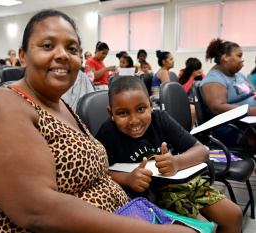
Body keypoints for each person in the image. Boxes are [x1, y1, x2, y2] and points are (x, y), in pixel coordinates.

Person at [0, 9, 195, 233]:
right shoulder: (1, 105)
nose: (62, 55)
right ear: (23, 57)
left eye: (72, 49)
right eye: (48, 45)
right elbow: (36, 211)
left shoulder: (60, 105)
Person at [96, 76, 243, 233]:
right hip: (152, 195)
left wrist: (177, 162)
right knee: (206, 229)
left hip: (182, 183)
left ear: (151, 105)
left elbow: (201, 151)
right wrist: (127, 179)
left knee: (234, 215)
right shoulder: (108, 133)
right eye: (123, 113)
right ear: (111, 113)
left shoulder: (160, 120)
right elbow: (97, 172)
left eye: (141, 109)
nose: (134, 121)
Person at [201, 38, 256, 147]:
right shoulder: (213, 80)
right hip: (231, 128)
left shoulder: (238, 75)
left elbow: (253, 89)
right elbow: (218, 107)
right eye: (239, 56)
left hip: (249, 122)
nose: (242, 60)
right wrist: (252, 111)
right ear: (225, 57)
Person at [178, 57, 205, 129]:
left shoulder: (201, 74)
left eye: (200, 68)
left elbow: (204, 87)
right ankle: (188, 131)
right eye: (196, 69)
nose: (199, 71)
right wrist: (192, 77)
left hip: (198, 98)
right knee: (193, 109)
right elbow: (183, 91)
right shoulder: (182, 73)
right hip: (187, 100)